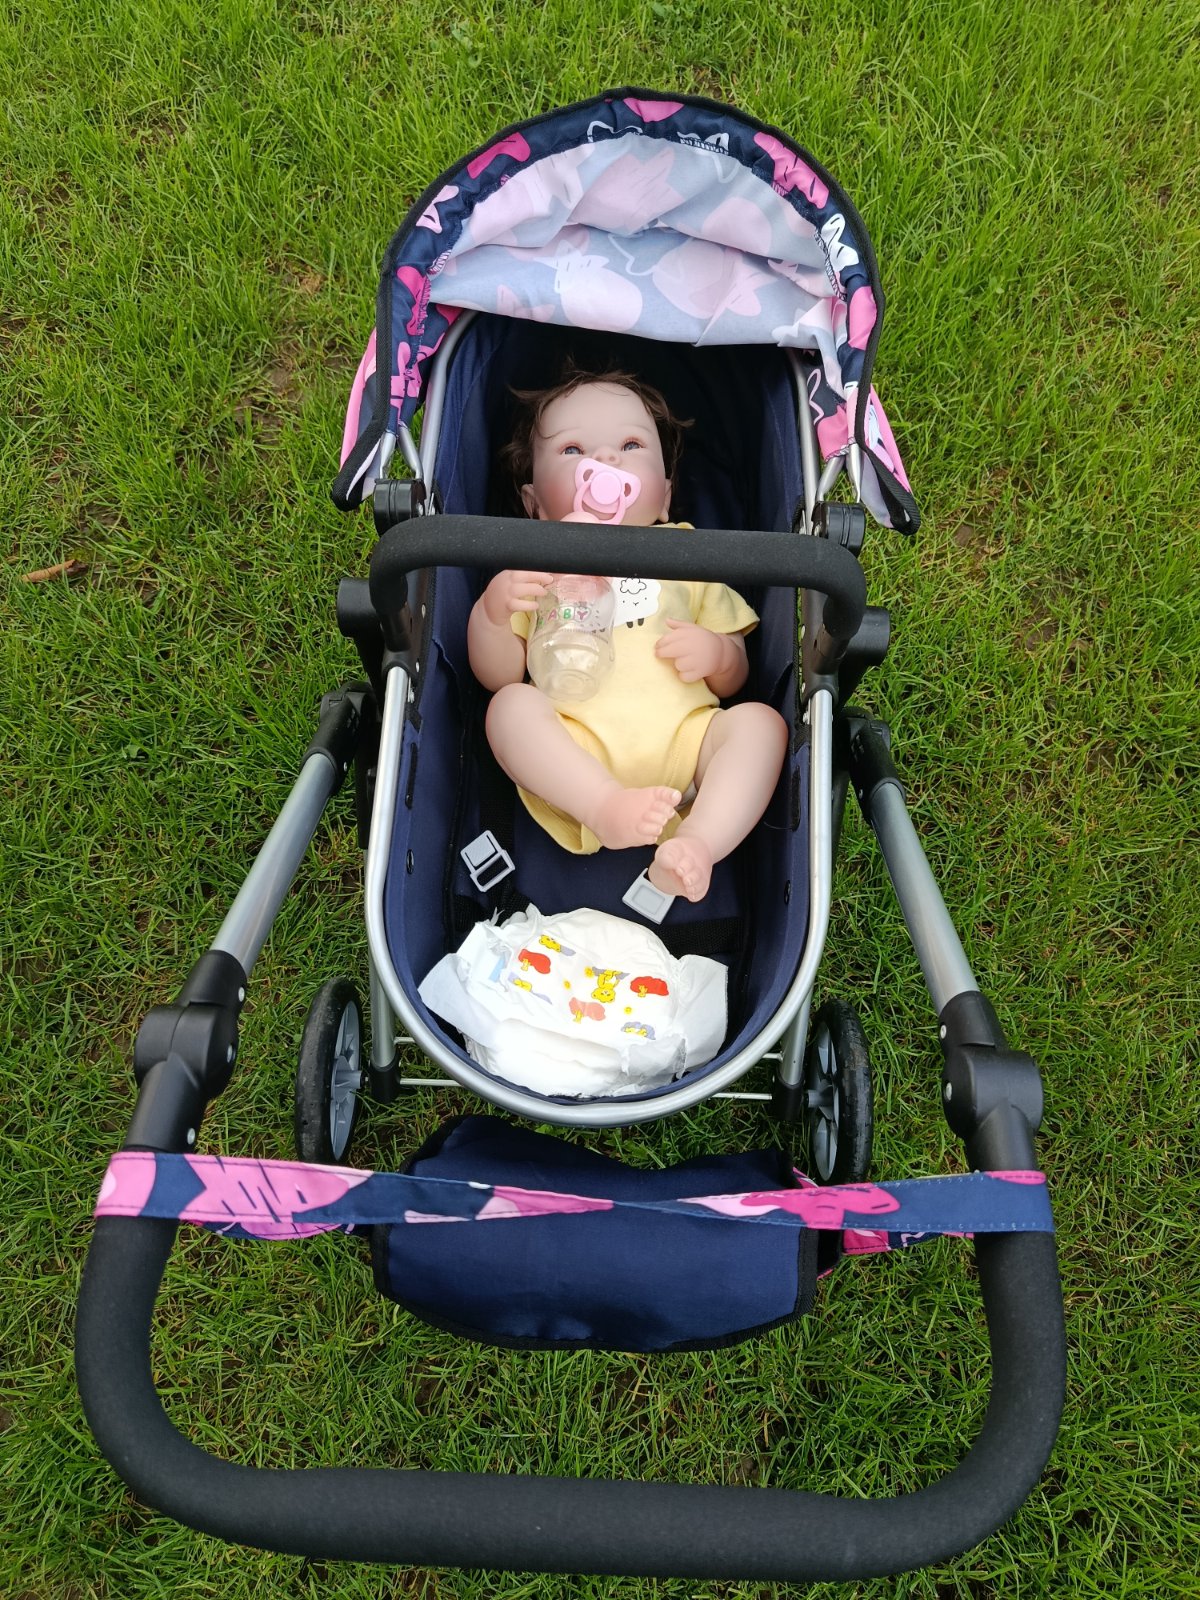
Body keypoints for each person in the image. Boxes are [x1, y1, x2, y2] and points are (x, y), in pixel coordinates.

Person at [466, 368, 787, 904]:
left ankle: (697, 842)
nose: (605, 459)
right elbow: (498, 675)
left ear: (664, 497)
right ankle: (605, 806)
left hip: (689, 745)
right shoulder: (537, 564)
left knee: (760, 725)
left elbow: (735, 677)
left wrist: (717, 654)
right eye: (573, 450)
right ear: (534, 506)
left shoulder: (688, 554)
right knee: (509, 708)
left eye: (631, 445)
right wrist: (493, 614)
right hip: (576, 750)